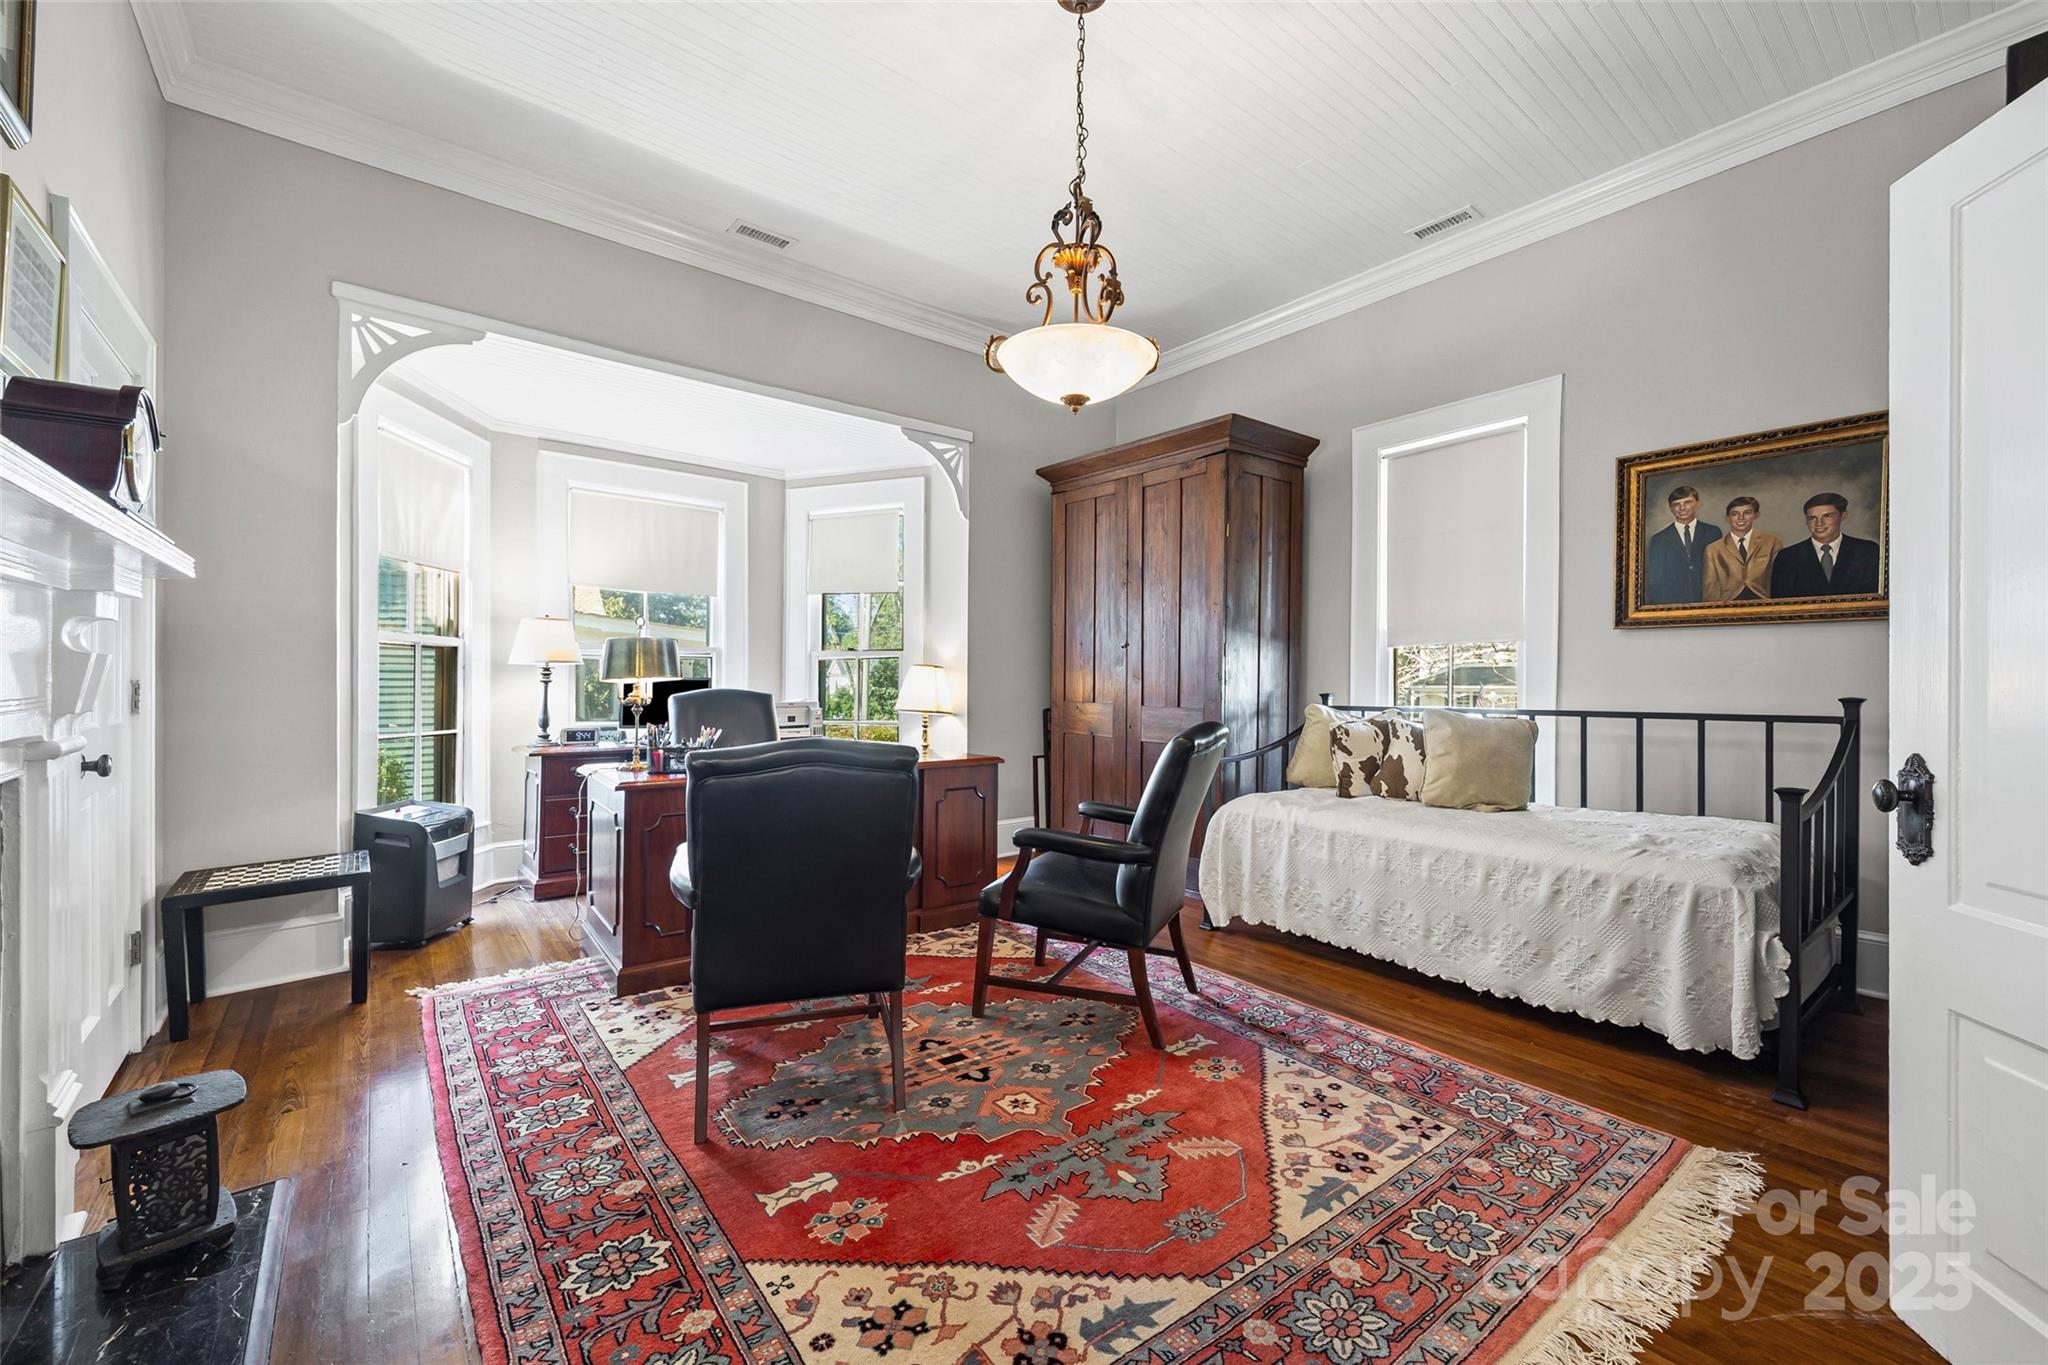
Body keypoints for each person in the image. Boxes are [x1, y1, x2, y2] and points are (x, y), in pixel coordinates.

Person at [1769, 492, 1881, 597]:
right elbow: (1781, 603)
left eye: (1828, 516)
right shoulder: (1787, 557)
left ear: (1843, 516)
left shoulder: (1868, 551)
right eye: (1812, 518)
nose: (1819, 523)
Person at [1645, 485, 1721, 604]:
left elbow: (1720, 571)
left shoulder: (1713, 532)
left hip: (1708, 600)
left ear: (1698, 503)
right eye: (1676, 504)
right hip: (1673, 603)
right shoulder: (1659, 539)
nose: (1682, 508)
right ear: (1670, 508)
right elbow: (1656, 580)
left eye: (1687, 502)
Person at [1702, 495, 1781, 601]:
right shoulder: (1714, 549)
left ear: (1756, 515)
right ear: (1727, 518)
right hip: (1728, 604)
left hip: (1764, 602)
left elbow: (1778, 580)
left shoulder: (1772, 542)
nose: (1741, 518)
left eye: (1747, 513)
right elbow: (1710, 588)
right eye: (1734, 514)